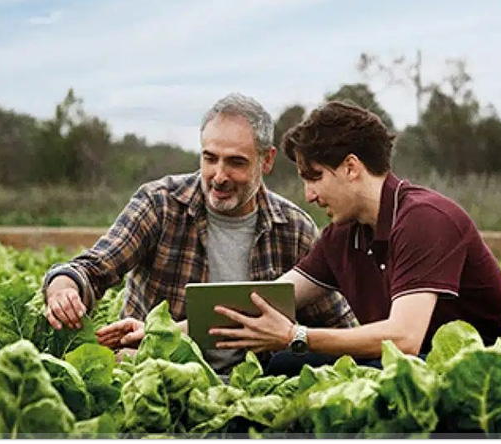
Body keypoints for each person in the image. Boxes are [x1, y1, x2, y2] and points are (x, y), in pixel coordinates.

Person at [42, 93, 357, 375]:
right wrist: (63, 290)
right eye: (210, 158)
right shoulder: (160, 204)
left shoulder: (294, 228)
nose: (219, 176)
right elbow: (92, 268)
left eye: (236, 162)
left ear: (267, 160)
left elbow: (338, 328)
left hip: (258, 389)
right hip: (156, 381)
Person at [209, 100, 501, 369]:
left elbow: (405, 338)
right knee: (283, 364)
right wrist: (171, 332)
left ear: (351, 168)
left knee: (380, 370)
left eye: (314, 178)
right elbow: (264, 299)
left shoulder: (425, 219)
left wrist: (296, 336)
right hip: (405, 362)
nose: (309, 195)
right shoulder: (343, 234)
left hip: (479, 366)